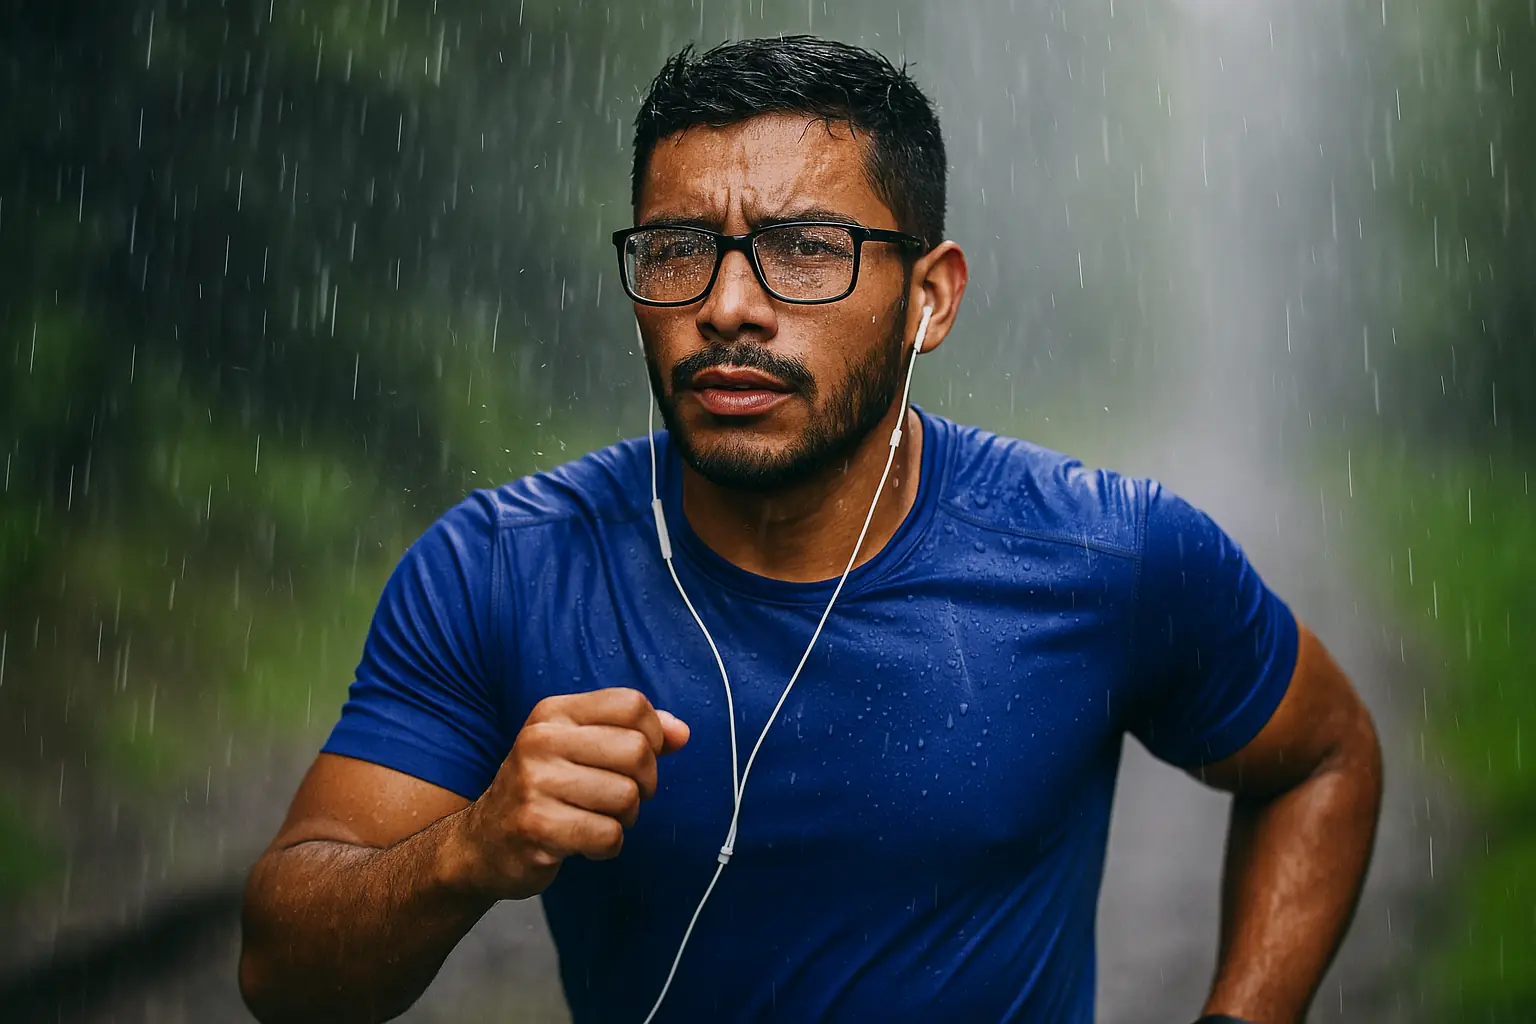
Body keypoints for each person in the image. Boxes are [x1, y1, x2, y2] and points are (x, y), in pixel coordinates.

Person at [238, 35, 1382, 1024]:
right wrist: (466, 849)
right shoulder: (502, 566)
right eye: (679, 248)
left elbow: (1325, 756)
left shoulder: (1107, 553)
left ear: (930, 297)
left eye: (806, 249)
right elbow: (280, 969)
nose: (727, 305)